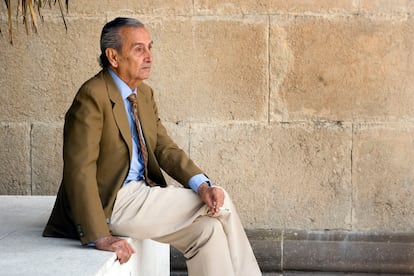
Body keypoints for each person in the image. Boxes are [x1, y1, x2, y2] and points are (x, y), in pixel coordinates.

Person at [43, 17, 261, 276]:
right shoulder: (92, 96)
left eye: (150, 47)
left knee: (207, 232)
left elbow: (164, 148)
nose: (149, 57)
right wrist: (98, 235)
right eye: (139, 49)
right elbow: (80, 170)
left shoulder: (144, 95)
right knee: (220, 202)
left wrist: (201, 183)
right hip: (113, 201)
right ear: (113, 57)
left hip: (141, 193)